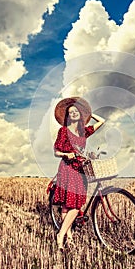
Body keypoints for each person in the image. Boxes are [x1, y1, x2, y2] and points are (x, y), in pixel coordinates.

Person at [53, 97, 105, 251]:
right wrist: (65, 154)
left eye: (76, 111)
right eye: (71, 112)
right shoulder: (63, 131)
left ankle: (61, 235)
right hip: (67, 169)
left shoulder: (83, 131)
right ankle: (66, 236)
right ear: (67, 117)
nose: (74, 114)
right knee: (67, 206)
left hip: (80, 169)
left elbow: (102, 121)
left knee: (75, 204)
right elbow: (56, 151)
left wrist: (89, 113)